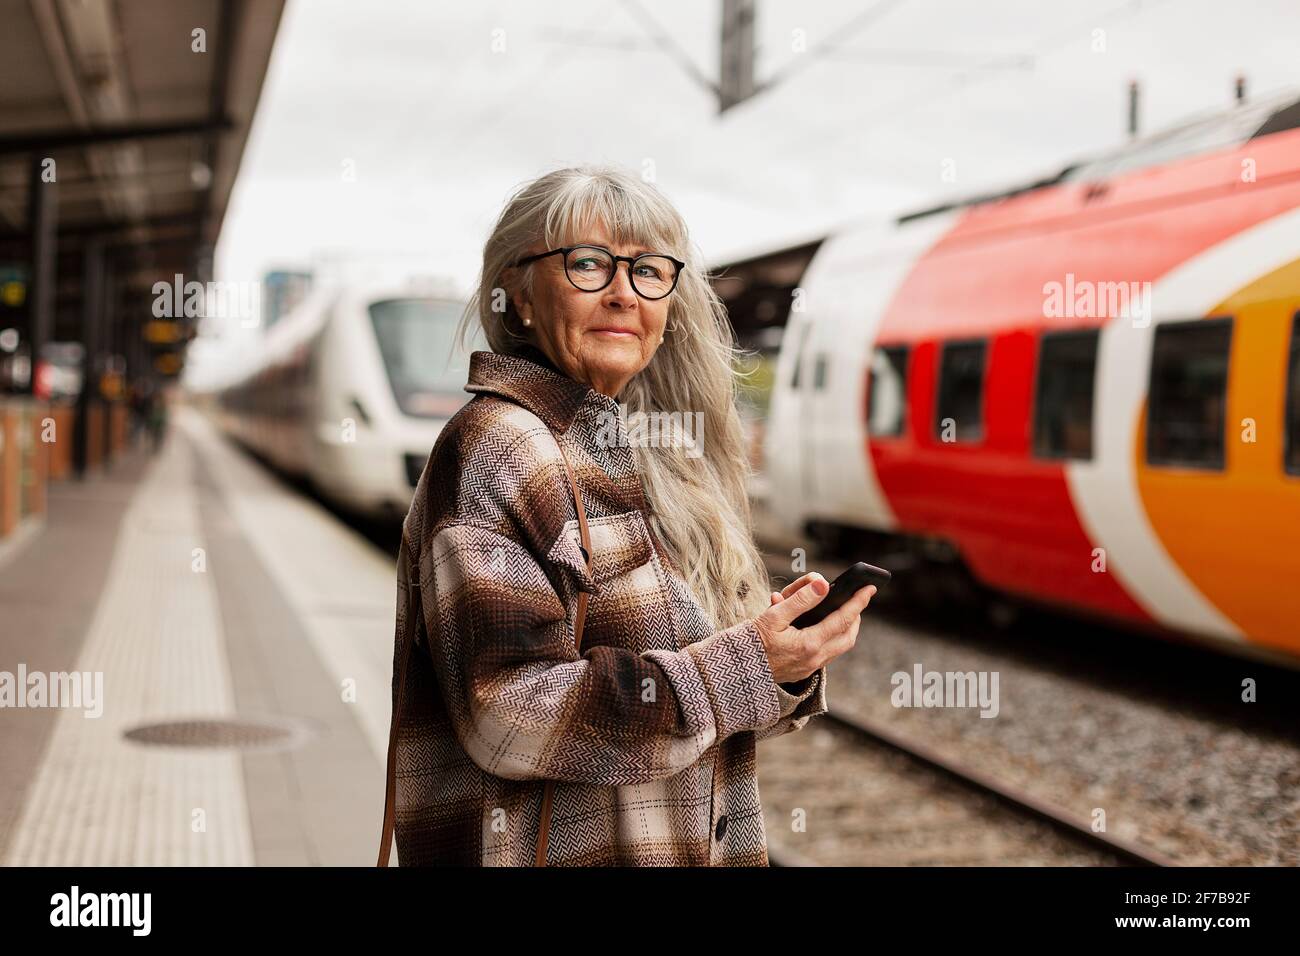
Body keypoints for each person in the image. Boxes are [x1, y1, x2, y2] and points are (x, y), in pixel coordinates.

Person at [379, 164, 877, 867]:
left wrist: (780, 661)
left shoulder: (652, 454)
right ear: (518, 295)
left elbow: (700, 707)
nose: (622, 293)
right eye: (587, 264)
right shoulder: (499, 446)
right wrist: (739, 666)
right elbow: (507, 715)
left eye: (648, 270)